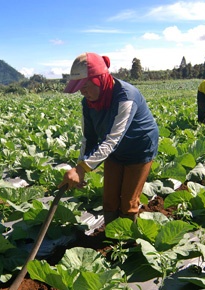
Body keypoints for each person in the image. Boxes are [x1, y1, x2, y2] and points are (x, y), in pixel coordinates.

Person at [61, 52, 159, 225]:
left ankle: (127, 243)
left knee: (128, 202)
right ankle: (111, 238)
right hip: (114, 152)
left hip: (139, 149)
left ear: (99, 79)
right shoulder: (88, 103)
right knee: (109, 200)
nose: (82, 92)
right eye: (79, 87)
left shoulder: (125, 97)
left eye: (85, 85)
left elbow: (113, 139)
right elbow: (88, 138)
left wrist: (83, 169)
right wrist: (79, 166)